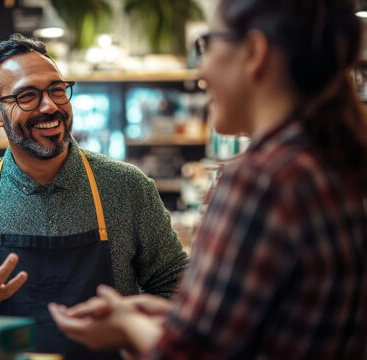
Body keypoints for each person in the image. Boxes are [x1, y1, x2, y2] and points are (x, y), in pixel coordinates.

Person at [49, 0, 367, 358]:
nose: (201, 70)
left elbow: (187, 355)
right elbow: (287, 324)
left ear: (254, 52)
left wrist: (126, 326)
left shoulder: (259, 180)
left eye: (207, 44)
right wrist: (177, 318)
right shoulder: (334, 160)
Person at [0, 34, 189, 358]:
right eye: (27, 96)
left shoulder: (127, 187)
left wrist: (130, 328)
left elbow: (177, 287)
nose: (50, 106)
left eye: (57, 90)